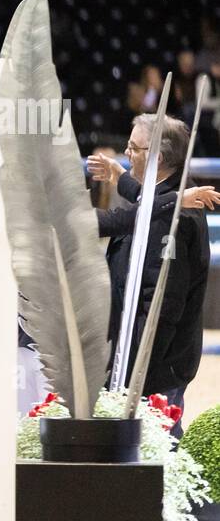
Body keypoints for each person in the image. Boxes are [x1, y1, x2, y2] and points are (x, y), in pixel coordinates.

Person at [88, 115, 216, 421]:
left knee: (157, 448)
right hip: (143, 359)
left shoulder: (177, 217)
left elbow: (163, 302)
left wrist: (138, 368)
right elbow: (147, 204)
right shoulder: (174, 197)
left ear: (157, 157)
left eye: (133, 147)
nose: (126, 153)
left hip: (156, 367)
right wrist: (123, 177)